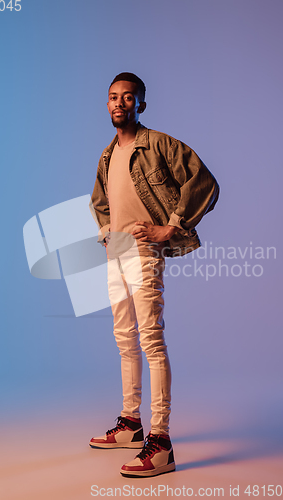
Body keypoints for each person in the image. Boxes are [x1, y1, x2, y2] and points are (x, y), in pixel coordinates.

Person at [89, 72, 219, 478]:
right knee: (124, 338)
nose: (119, 104)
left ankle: (160, 442)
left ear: (141, 104)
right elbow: (101, 200)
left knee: (151, 341)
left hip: (145, 251)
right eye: (113, 97)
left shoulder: (159, 144)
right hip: (119, 253)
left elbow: (205, 182)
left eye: (128, 98)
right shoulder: (108, 155)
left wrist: (173, 226)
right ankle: (131, 423)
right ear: (106, 103)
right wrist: (107, 233)